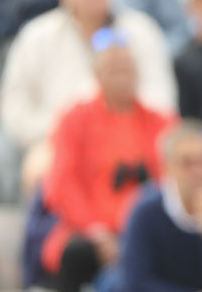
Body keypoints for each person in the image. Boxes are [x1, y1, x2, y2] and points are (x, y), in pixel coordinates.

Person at [0, 0, 176, 193]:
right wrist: (65, 130)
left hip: (131, 136)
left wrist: (123, 124)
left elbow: (162, 98)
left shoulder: (141, 31)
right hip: (57, 141)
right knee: (40, 167)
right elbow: (14, 106)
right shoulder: (37, 36)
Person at [41, 29, 175, 292]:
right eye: (113, 67)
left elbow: (171, 182)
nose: (122, 74)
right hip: (90, 233)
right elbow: (61, 184)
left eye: (126, 66)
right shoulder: (74, 119)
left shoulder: (162, 122)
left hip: (149, 232)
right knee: (75, 253)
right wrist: (95, 230)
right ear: (97, 74)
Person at [112, 121, 202, 292]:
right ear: (167, 167)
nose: (200, 171)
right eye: (188, 163)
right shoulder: (145, 211)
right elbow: (135, 282)